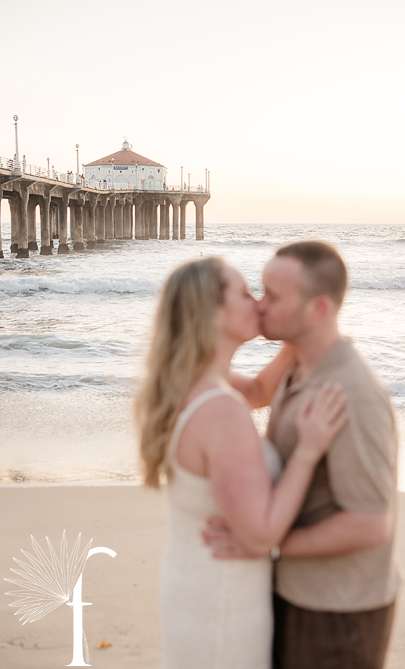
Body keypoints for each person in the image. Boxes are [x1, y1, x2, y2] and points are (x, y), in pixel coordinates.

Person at [135, 256, 348, 669]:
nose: (258, 303)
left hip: (194, 588)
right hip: (222, 611)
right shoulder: (220, 411)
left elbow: (259, 389)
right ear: (212, 313)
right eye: (245, 293)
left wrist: (301, 331)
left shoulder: (192, 383)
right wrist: (308, 450)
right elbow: (260, 534)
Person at [203, 241, 401, 669]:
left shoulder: (350, 394)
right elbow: (256, 391)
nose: (259, 303)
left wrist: (265, 544)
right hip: (298, 593)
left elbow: (370, 524)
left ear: (317, 309)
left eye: (272, 296)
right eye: (259, 290)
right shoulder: (300, 360)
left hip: (337, 611)